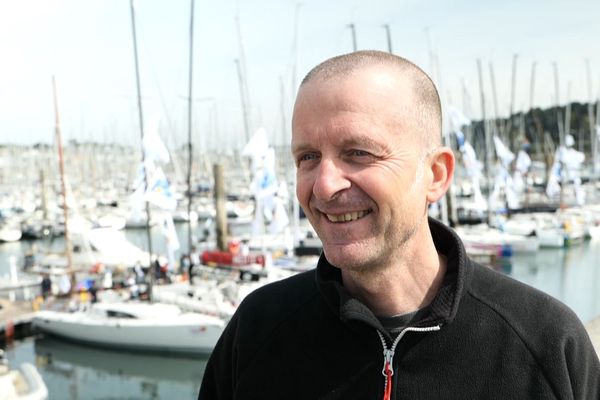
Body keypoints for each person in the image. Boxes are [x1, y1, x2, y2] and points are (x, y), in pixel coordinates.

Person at [199, 51, 600, 399]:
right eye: (307, 157)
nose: (323, 184)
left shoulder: (545, 343)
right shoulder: (257, 331)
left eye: (358, 152)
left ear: (436, 175)